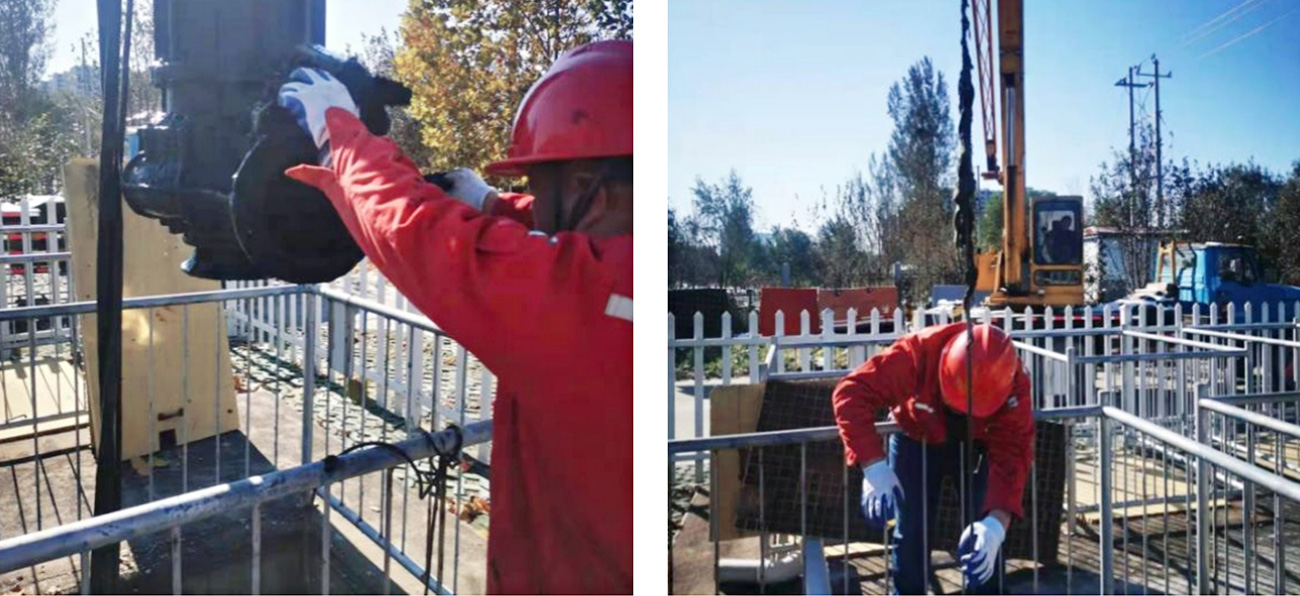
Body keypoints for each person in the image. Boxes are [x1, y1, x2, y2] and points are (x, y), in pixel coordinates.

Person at [276, 40, 632, 594]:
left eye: (535, 187)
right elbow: (561, 239)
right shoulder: (624, 273)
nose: (530, 199)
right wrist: (491, 203)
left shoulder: (581, 297)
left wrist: (337, 135)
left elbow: (418, 231)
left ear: (589, 188)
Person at [831, 323, 1034, 594]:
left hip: (977, 444)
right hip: (915, 437)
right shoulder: (917, 353)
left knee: (983, 535)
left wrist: (997, 524)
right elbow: (851, 392)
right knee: (911, 529)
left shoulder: (1014, 384)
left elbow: (1013, 454)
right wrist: (873, 465)